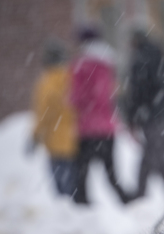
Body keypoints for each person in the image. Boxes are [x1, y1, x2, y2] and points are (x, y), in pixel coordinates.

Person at [123, 28, 164, 204]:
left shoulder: (140, 59)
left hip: (152, 116)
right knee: (154, 158)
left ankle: (143, 197)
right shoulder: (160, 54)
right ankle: (142, 196)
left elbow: (137, 91)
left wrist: (131, 118)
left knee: (154, 159)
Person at [69, 25, 127, 205]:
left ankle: (82, 210)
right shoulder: (107, 64)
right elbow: (108, 94)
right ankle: (129, 203)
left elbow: (77, 97)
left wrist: (74, 99)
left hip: (88, 129)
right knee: (111, 175)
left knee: (81, 176)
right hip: (107, 128)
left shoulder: (81, 65)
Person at [31, 39, 78, 197]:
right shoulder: (73, 77)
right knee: (73, 185)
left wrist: (35, 136)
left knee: (60, 189)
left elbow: (43, 113)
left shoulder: (46, 82)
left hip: (55, 142)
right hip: (75, 138)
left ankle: (65, 217)